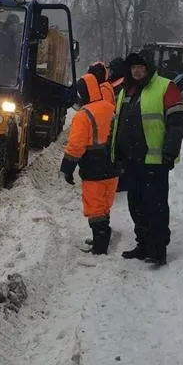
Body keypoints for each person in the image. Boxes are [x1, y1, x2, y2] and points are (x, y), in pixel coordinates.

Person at [111, 51, 183, 265]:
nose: (137, 70)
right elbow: (118, 124)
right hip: (131, 161)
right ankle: (143, 244)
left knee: (155, 206)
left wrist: (169, 152)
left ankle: (158, 249)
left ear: (149, 68)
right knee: (136, 205)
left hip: (155, 161)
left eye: (141, 66)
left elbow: (178, 121)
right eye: (133, 66)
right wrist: (115, 153)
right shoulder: (127, 90)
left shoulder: (165, 86)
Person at [60, 72, 119, 254]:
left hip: (94, 167)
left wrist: (67, 169)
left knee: (94, 207)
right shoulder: (110, 108)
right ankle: (102, 238)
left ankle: (100, 247)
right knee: (105, 203)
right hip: (113, 164)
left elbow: (76, 146)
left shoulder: (83, 115)